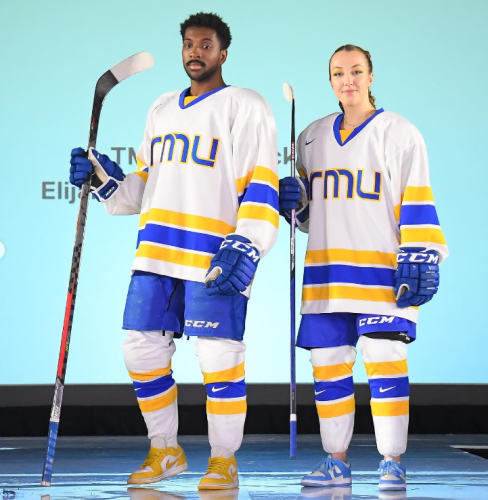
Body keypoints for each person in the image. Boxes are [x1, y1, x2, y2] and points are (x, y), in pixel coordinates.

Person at [69, 12, 278, 490]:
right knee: (140, 350)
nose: (195, 52)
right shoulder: (162, 107)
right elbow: (141, 188)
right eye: (188, 44)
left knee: (219, 357)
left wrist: (247, 243)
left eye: (206, 45)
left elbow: (262, 181)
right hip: (155, 253)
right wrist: (101, 176)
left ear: (223, 53)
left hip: (215, 255)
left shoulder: (245, 105)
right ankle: (165, 450)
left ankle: (224, 459)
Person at [279, 44, 448, 492]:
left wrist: (422, 252)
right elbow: (313, 217)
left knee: (386, 365)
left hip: (380, 276)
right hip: (326, 278)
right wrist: (293, 206)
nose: (347, 79)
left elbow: (417, 197)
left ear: (371, 76)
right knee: (329, 370)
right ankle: (336, 461)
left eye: (356, 71)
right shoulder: (310, 137)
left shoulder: (399, 132)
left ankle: (392, 461)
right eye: (338, 73)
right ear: (330, 81)